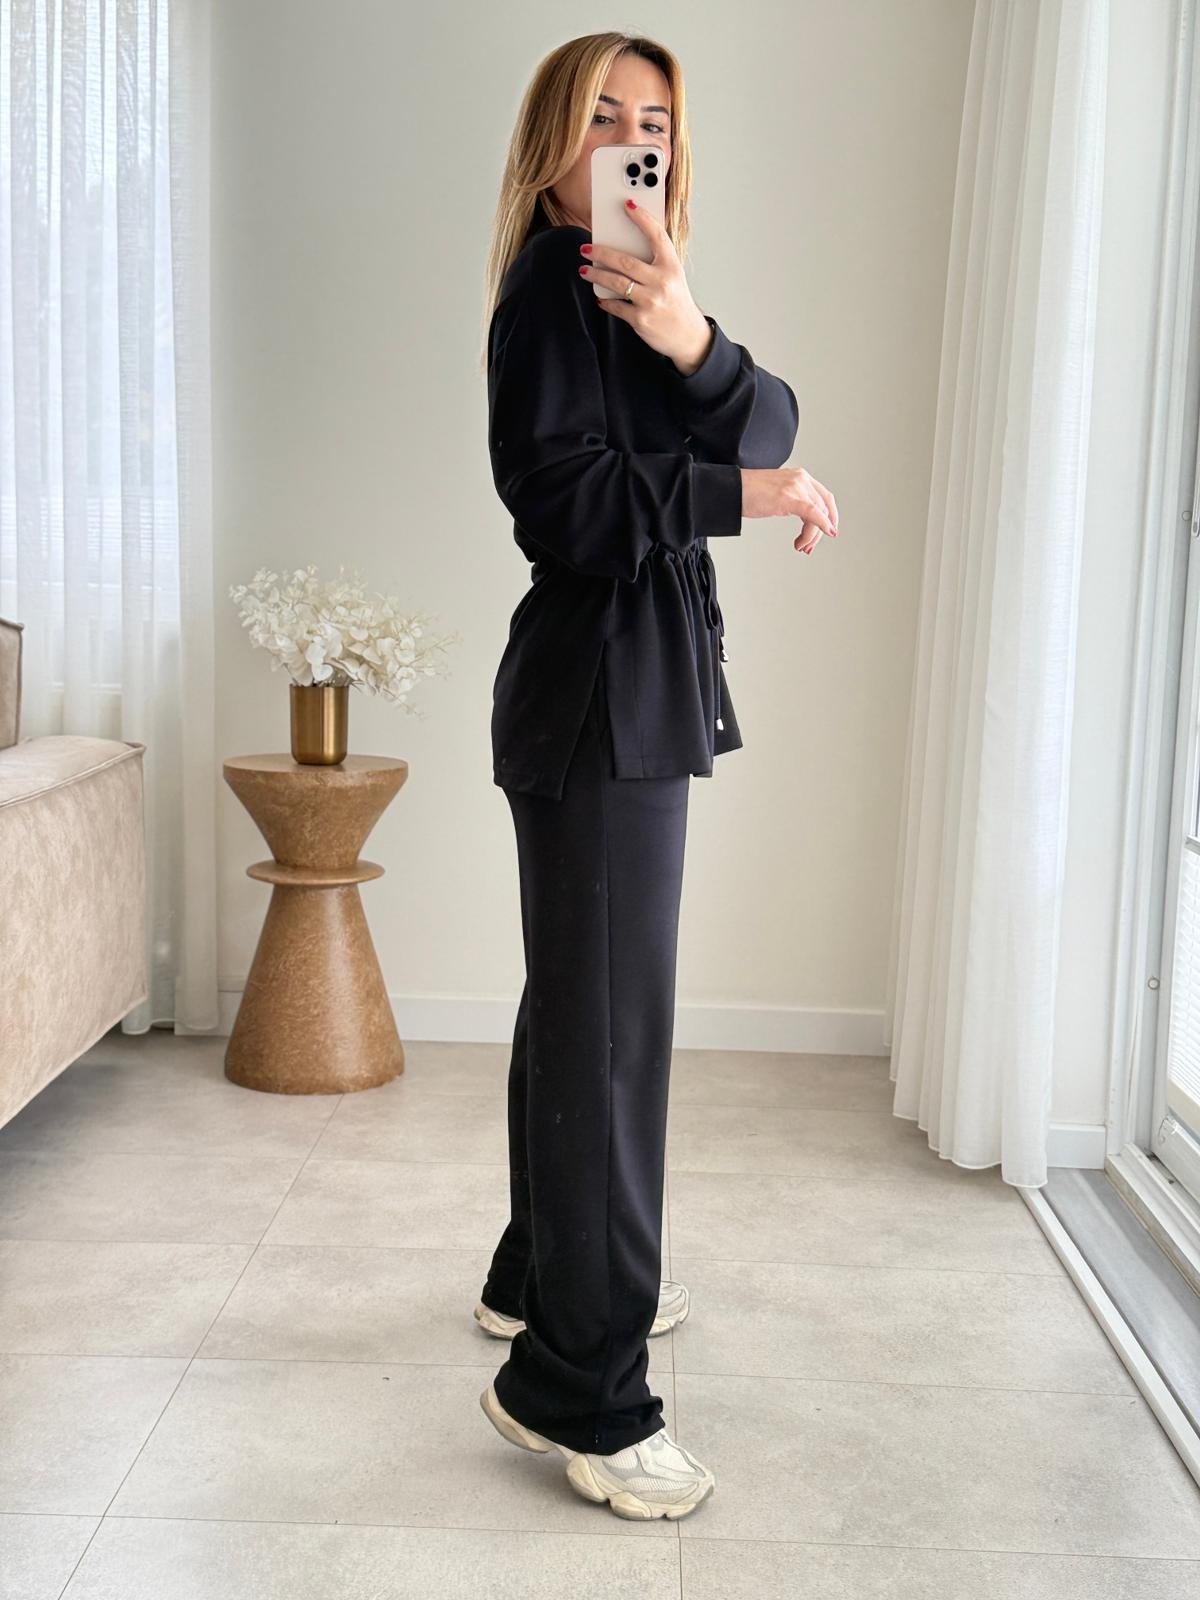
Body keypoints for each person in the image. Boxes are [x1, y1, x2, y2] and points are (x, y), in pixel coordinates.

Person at [473, 32, 840, 1522]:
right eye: (605, 118)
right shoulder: (550, 290)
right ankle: (582, 1383)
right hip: (596, 702)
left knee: (582, 1011)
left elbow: (774, 418)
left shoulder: (634, 287)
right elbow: (558, 502)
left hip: (623, 695)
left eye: (659, 122)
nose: (638, 141)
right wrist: (736, 495)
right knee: (610, 1039)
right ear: (551, 149)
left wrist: (693, 336)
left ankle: (536, 1276)